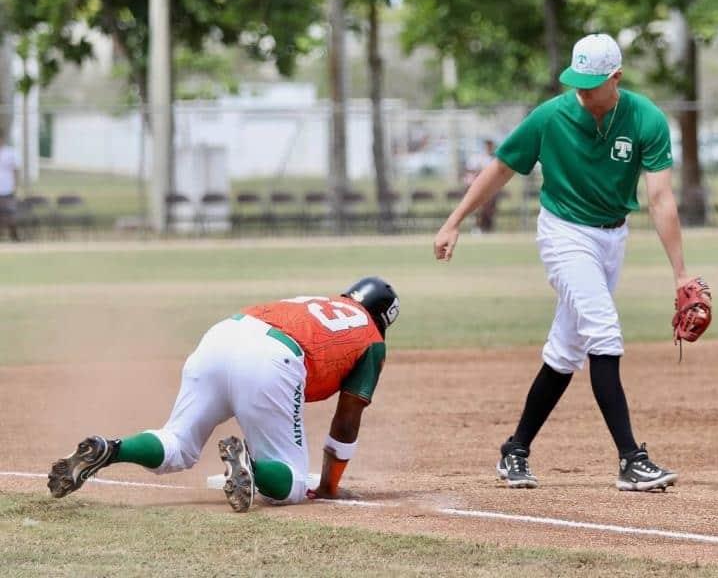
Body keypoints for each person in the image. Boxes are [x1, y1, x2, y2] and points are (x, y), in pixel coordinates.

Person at [434, 34, 695, 492]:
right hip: (564, 234)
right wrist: (455, 220)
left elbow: (660, 199)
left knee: (565, 351)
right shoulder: (550, 116)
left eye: (592, 83)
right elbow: (500, 167)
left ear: (616, 78)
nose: (582, 91)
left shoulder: (645, 119)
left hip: (613, 238)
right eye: (577, 82)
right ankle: (631, 460)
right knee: (604, 330)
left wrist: (680, 273)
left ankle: (514, 449)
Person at [48, 277, 400, 511]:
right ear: (385, 317)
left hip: (223, 334)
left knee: (178, 444)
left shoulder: (318, 302)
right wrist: (328, 486)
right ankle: (250, 463)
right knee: (292, 484)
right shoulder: (371, 338)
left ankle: (111, 449)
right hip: (273, 357)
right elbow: (347, 419)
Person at [463, 139, 499, 233]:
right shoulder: (476, 157)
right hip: (475, 187)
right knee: (477, 208)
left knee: (489, 208)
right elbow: (470, 171)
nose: (490, 148)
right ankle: (477, 227)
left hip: (489, 187)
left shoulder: (493, 158)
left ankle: (487, 228)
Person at [0, 132, 21, 242]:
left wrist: (15, 186)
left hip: (7, 189)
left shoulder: (10, 152)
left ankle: (14, 236)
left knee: (11, 213)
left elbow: (16, 170)